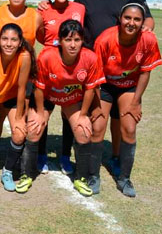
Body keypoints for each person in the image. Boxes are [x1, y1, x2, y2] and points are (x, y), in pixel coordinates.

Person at [38, 0, 155, 175]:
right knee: (85, 118)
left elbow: (147, 18)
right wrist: (46, 4)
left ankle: (115, 159)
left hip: (121, 69)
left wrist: (147, 29)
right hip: (85, 68)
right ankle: (66, 159)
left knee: (120, 120)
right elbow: (53, 20)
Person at [93, 3, 162, 197]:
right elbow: (95, 77)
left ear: (143, 22)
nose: (131, 23)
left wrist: (135, 102)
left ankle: (124, 178)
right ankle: (93, 176)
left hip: (129, 87)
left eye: (137, 19)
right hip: (104, 85)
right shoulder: (105, 39)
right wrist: (96, 105)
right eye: (127, 18)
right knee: (97, 127)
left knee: (130, 129)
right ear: (120, 19)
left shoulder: (148, 40)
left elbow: (145, 73)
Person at [31, 20, 106, 196]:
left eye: (77, 40)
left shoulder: (90, 57)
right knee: (33, 127)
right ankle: (29, 170)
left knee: (83, 130)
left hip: (71, 98)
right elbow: (39, 88)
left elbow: (90, 89)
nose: (73, 45)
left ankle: (79, 176)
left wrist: (83, 114)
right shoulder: (46, 56)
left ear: (82, 41)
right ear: (59, 41)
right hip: (49, 95)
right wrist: (41, 113)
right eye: (68, 40)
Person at [36, 0, 85, 175]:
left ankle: (65, 156)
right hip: (48, 69)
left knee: (68, 116)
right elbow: (40, 36)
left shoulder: (80, 8)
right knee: (43, 113)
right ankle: (41, 155)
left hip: (72, 70)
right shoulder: (43, 10)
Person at [0, 23, 36, 193]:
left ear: (20, 42)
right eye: (4, 39)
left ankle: (8, 171)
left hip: (10, 99)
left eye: (14, 40)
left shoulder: (24, 57)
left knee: (20, 133)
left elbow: (21, 89)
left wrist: (19, 117)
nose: (9, 43)